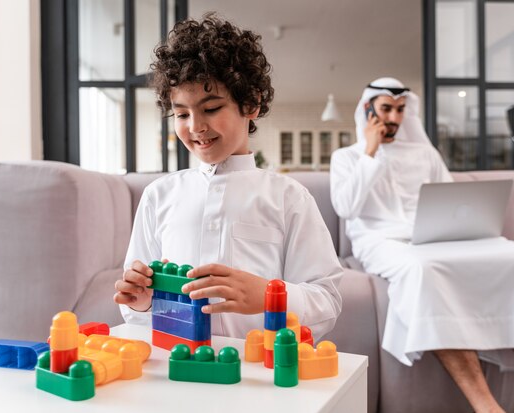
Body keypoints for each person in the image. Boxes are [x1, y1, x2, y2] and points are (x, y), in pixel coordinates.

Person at [330, 77, 514, 412]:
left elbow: (452, 200)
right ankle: (488, 408)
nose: (393, 117)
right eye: (386, 108)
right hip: (382, 241)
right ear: (368, 109)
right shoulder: (347, 157)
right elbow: (346, 209)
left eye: (401, 110)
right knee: (423, 270)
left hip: (437, 238)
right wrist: (371, 153)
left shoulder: (425, 154)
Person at [113, 15, 342, 341]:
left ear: (250, 104)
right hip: (177, 367)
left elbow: (327, 299)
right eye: (181, 114)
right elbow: (136, 309)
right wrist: (142, 301)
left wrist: (268, 294)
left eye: (211, 108)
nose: (195, 127)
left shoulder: (288, 197)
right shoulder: (159, 195)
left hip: (255, 372)